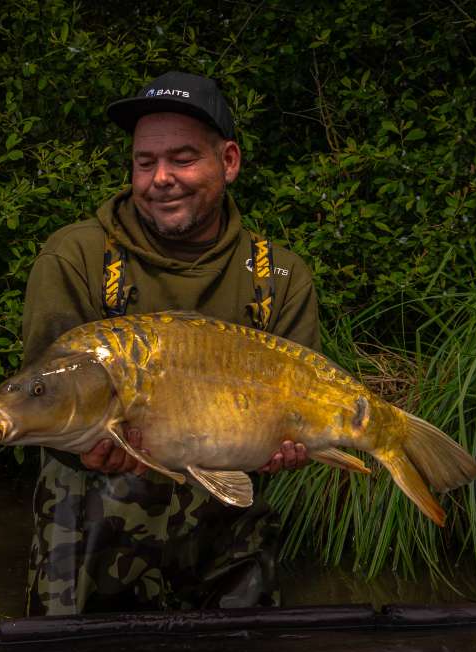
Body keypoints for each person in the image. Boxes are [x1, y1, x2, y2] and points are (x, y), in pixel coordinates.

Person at [19, 71, 322, 616]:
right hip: (95, 525)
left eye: (182, 159)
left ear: (228, 162)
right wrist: (87, 448)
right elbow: (42, 400)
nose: (161, 178)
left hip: (229, 517)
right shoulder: (75, 256)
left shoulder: (278, 275)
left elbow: (300, 417)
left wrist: (292, 445)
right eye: (144, 162)